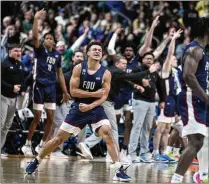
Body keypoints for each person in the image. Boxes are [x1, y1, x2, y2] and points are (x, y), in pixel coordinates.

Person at [25, 41, 131, 182]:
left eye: (99, 50)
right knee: (58, 139)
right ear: (87, 53)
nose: (97, 51)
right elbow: (73, 92)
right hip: (78, 108)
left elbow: (104, 96)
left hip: (95, 108)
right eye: (94, 49)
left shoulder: (106, 73)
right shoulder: (79, 68)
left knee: (108, 133)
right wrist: (93, 95)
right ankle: (36, 160)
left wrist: (91, 105)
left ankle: (118, 169)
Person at [77, 55, 159, 163]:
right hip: (106, 102)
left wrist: (135, 86)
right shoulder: (116, 71)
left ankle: (87, 144)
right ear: (117, 64)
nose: (125, 65)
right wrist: (148, 71)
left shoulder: (113, 71)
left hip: (103, 101)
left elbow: (125, 80)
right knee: (113, 129)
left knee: (105, 128)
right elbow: (131, 77)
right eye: (123, 63)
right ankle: (113, 156)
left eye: (126, 63)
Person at [21, 9, 70, 156]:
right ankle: (27, 144)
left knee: (51, 118)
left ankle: (42, 144)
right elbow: (35, 37)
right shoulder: (40, 51)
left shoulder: (57, 55)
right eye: (46, 38)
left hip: (51, 88)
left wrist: (66, 91)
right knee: (37, 117)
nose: (47, 40)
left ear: (54, 42)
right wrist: (36, 19)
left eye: (50, 38)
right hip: (39, 86)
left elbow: (60, 74)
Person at [170, 17, 209, 183]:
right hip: (191, 98)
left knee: (200, 141)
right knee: (195, 142)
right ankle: (175, 180)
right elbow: (188, 76)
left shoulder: (202, 50)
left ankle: (200, 174)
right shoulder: (195, 50)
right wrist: (207, 98)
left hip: (198, 98)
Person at [152, 29, 183, 163]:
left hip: (174, 101)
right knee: (160, 128)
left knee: (166, 130)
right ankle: (155, 152)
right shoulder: (166, 70)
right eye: (173, 59)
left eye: (176, 59)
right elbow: (170, 54)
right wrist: (173, 39)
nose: (175, 60)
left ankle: (164, 152)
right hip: (166, 99)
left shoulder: (177, 71)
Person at [1, 43, 25, 153]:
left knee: (7, 125)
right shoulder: (3, 64)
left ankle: (0, 148)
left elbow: (21, 78)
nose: (18, 53)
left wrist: (23, 89)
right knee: (1, 123)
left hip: (13, 98)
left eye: (19, 51)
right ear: (9, 52)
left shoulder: (20, 64)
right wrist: (12, 87)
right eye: (16, 51)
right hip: (3, 97)